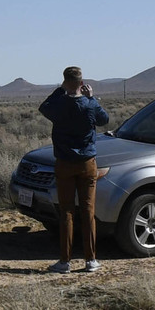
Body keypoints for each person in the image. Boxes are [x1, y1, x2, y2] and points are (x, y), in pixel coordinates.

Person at [39, 66, 109, 274]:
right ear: (81, 83)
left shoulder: (58, 104)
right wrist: (93, 98)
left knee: (66, 211)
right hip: (87, 163)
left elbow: (43, 107)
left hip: (64, 163)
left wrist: (60, 91)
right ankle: (90, 260)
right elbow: (104, 119)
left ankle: (65, 261)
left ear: (64, 81)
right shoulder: (89, 105)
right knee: (87, 210)